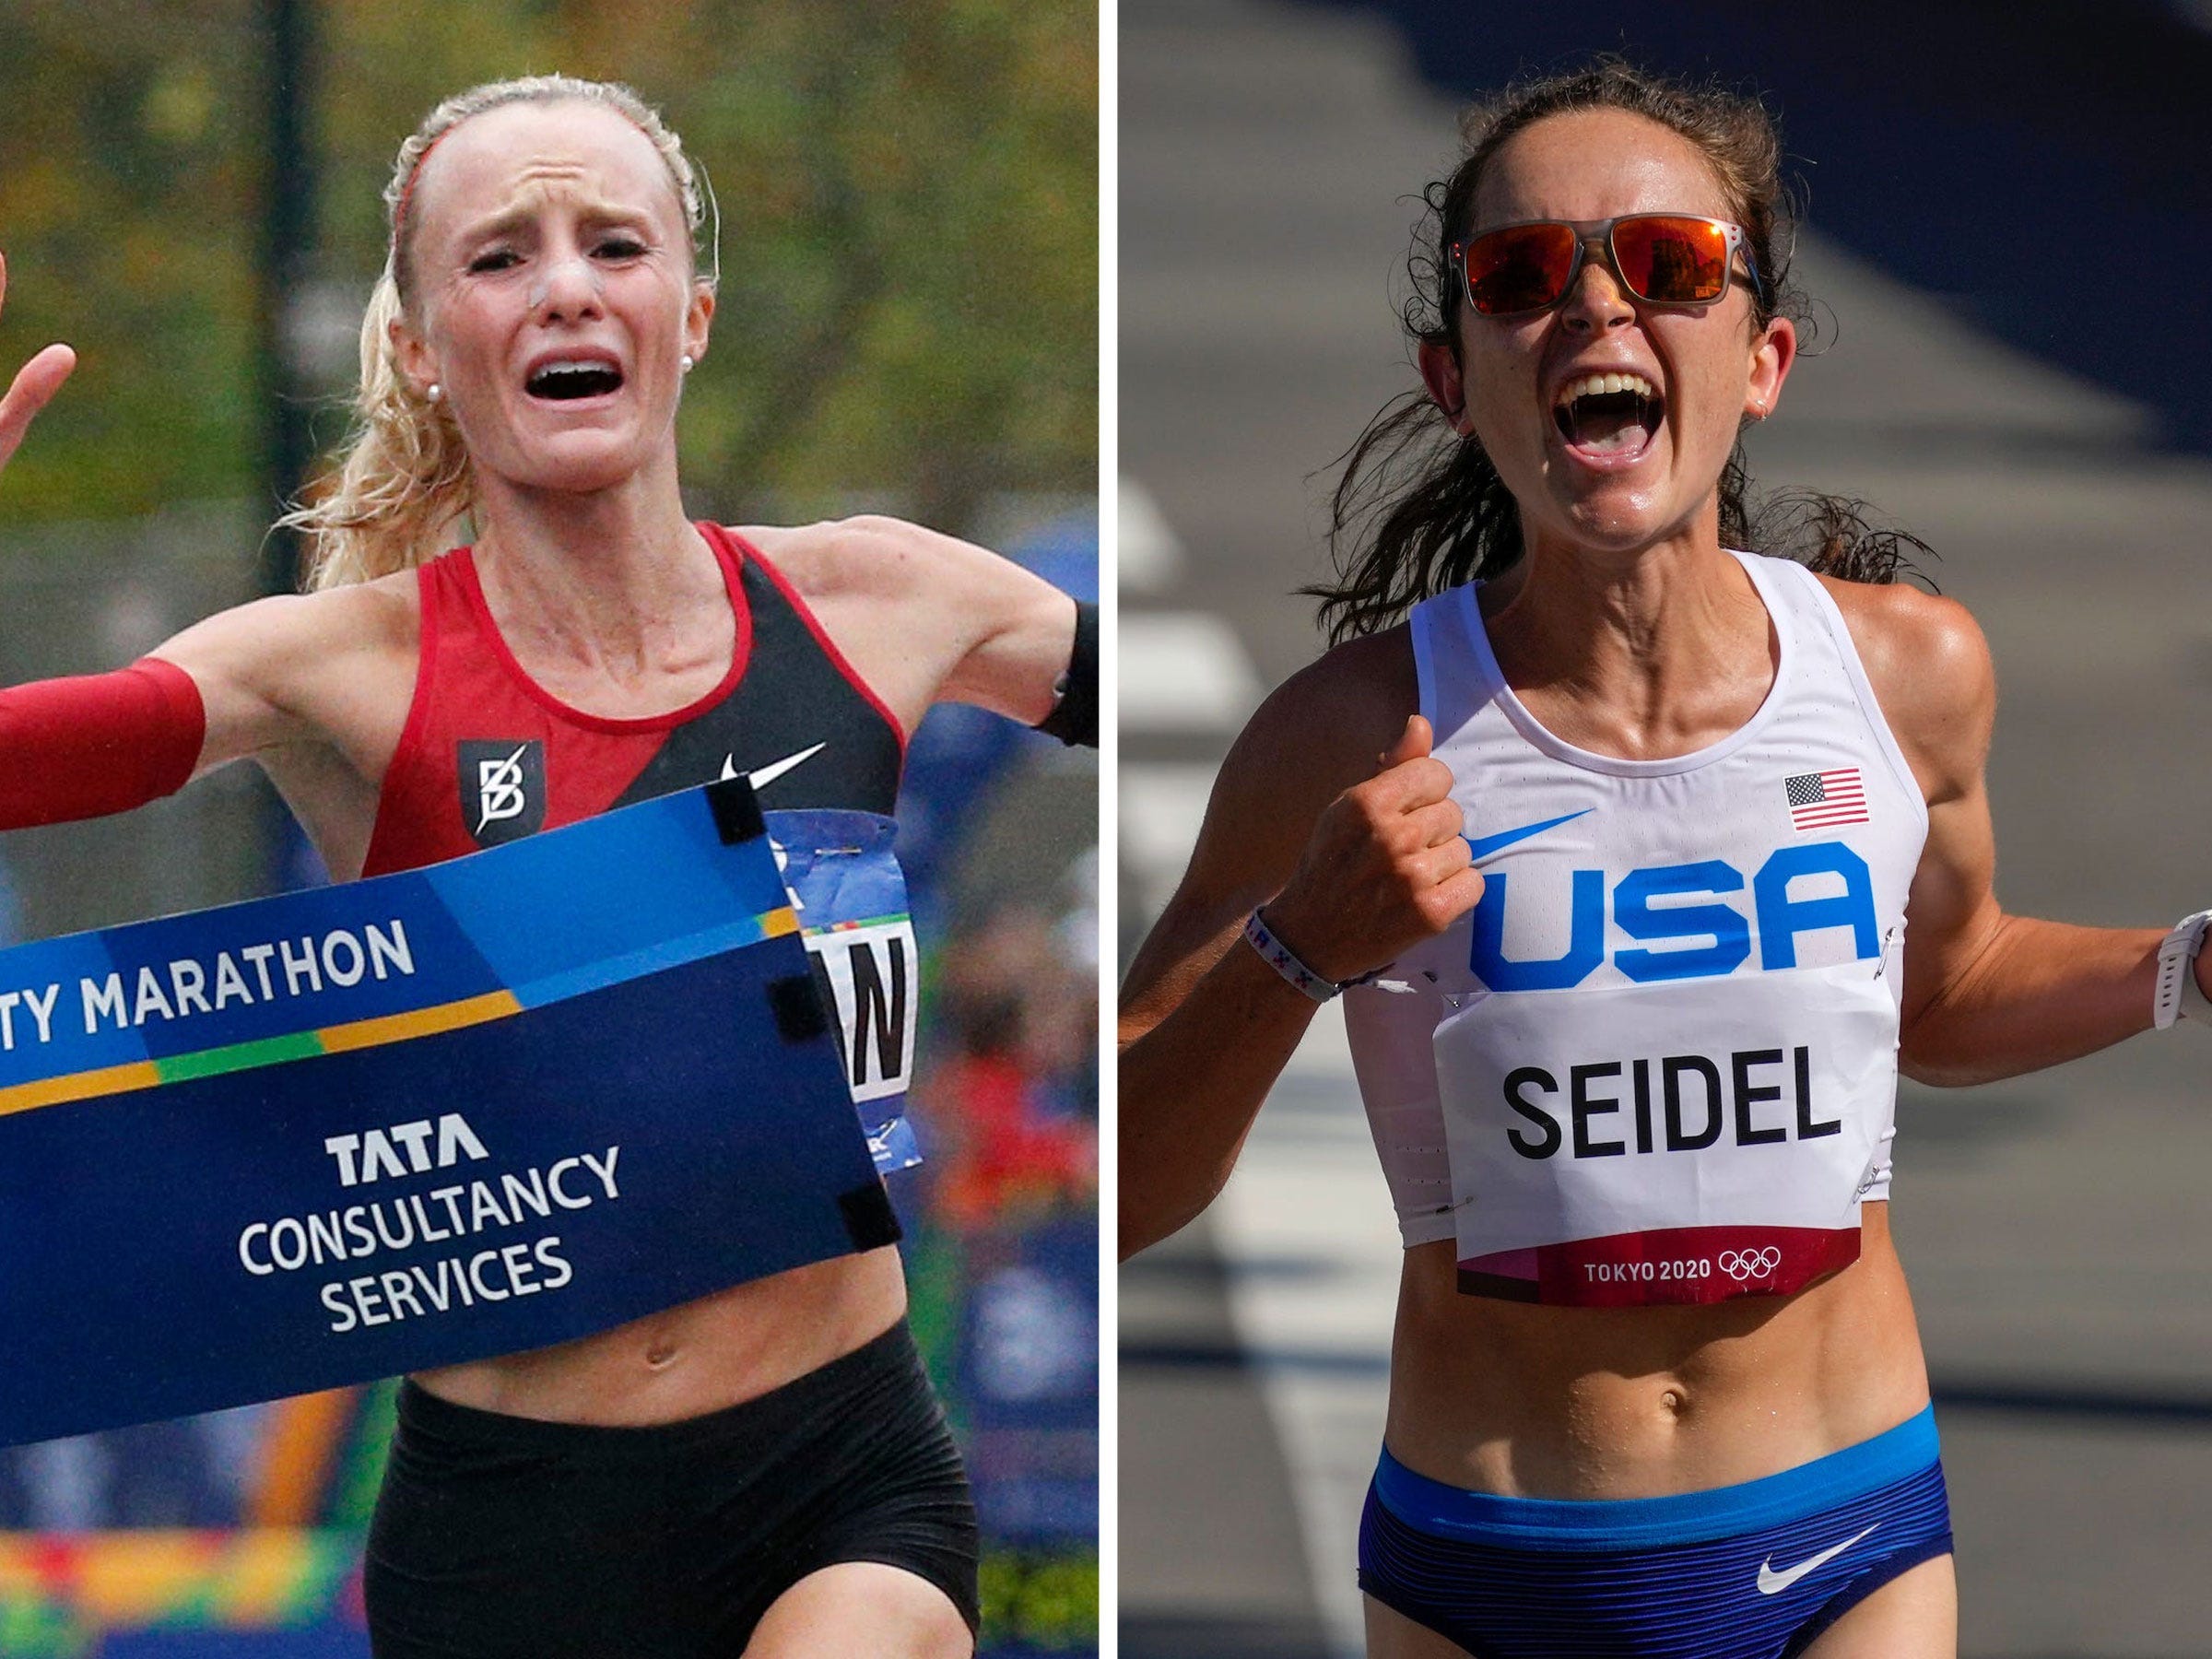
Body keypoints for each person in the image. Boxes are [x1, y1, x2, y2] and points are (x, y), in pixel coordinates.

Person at [1118, 60, 2207, 1659]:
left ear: (1761, 360)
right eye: (1522, 276)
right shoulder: (1352, 736)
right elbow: (1124, 1185)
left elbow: (1947, 986)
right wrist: (1303, 941)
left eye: (1672, 267)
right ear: (1454, 375)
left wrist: (2186, 962)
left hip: (1852, 1530)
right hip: (1496, 1568)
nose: (1598, 310)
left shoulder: (1906, 677)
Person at [0, 74, 1095, 1659]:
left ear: (691, 313)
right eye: (500, 256)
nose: (566, 283)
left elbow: (1298, 745)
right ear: (422, 346)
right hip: (513, 1525)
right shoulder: (343, 670)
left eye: (614, 243)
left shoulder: (884, 603)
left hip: (841, 1477)